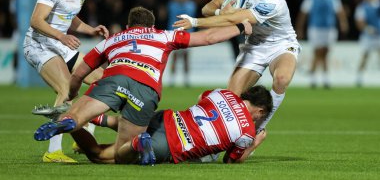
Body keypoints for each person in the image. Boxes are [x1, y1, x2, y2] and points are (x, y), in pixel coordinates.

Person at [33, 6, 253, 164]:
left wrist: (71, 94)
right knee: (121, 154)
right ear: (152, 25)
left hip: (114, 79)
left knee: (76, 117)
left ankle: (68, 120)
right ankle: (138, 143)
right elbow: (208, 38)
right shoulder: (164, 35)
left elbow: (79, 73)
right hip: (146, 90)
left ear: (129, 26)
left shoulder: (113, 39)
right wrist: (240, 27)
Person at [173, 0, 300, 142]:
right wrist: (220, 12)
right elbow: (207, 8)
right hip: (255, 46)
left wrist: (194, 22)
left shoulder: (273, 1)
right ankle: (213, 139)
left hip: (281, 44)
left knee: (281, 79)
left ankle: (257, 128)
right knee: (231, 98)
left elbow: (234, 19)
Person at [23, 0, 109, 163]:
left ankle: (85, 132)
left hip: (60, 44)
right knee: (66, 89)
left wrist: (90, 29)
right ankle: (52, 152)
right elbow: (35, 21)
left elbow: (69, 18)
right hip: (39, 45)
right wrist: (61, 36)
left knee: (99, 79)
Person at [41, 85, 273, 165]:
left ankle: (76, 117)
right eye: (260, 117)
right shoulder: (247, 131)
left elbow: (202, 100)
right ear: (260, 110)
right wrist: (254, 144)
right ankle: (137, 145)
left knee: (124, 124)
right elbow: (231, 160)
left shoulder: (223, 93)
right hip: (171, 144)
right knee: (99, 155)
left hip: (166, 118)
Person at [296, 0, 349, 88]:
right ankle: (317, 78)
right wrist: (299, 28)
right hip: (315, 28)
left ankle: (320, 77)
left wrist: (343, 23)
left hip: (330, 28)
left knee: (325, 52)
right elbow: (303, 14)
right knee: (318, 52)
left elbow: (340, 12)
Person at [166, 0, 197, 87]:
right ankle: (172, 80)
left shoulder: (191, 5)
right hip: (174, 34)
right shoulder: (172, 4)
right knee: (174, 58)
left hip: (187, 35)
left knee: (185, 58)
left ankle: (186, 79)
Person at [354, 0, 380, 87]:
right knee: (365, 56)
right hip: (367, 36)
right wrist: (367, 28)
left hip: (379, 35)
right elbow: (359, 21)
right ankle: (359, 77)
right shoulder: (362, 7)